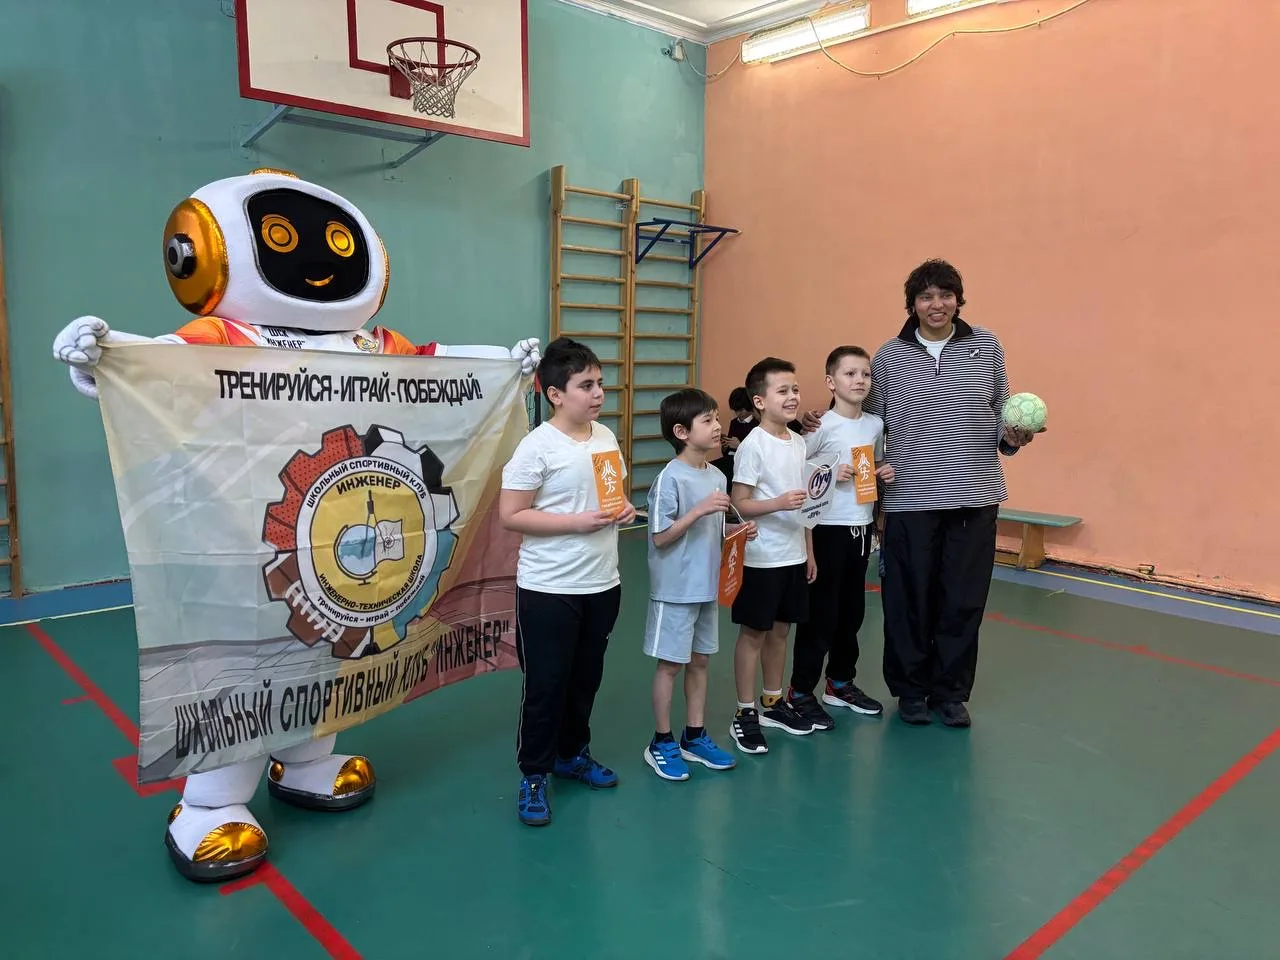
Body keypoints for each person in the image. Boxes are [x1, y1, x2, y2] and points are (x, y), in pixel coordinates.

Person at [50, 169, 541, 882]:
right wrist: (105, 356)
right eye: (280, 238)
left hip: (347, 544)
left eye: (336, 243)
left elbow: (438, 372)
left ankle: (307, 758)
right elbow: (158, 371)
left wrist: (505, 366)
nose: (315, 258)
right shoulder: (222, 338)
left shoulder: (372, 347)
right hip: (242, 538)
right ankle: (211, 803)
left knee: (326, 651)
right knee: (243, 665)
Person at [864, 259, 1037, 728]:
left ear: (959, 300)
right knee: (908, 600)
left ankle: (950, 693)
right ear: (912, 304)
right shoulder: (888, 357)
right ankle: (911, 691)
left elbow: (1001, 413)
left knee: (963, 601)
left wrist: (1012, 438)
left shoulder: (987, 346)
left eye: (945, 295)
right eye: (926, 296)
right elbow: (871, 424)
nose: (936, 304)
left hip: (974, 497)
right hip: (910, 499)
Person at [499, 336, 636, 825]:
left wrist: (624, 509)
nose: (598, 393)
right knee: (547, 684)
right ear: (555, 394)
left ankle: (571, 753)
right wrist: (576, 523)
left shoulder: (605, 437)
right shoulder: (536, 447)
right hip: (549, 588)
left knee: (585, 679)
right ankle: (534, 773)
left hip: (602, 582)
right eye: (586, 385)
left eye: (599, 383)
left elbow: (610, 495)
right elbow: (511, 514)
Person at [643, 388, 755, 781]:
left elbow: (715, 529)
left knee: (701, 661)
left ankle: (694, 734)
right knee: (671, 665)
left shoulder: (718, 476)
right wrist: (698, 510)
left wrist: (738, 531)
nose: (717, 425)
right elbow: (660, 537)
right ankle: (661, 741)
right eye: (707, 420)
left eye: (716, 418)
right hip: (675, 589)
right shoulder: (668, 479)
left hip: (706, 586)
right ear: (682, 431)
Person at [785, 346, 894, 731]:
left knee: (852, 613)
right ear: (831, 382)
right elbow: (798, 473)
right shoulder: (819, 427)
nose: (859, 380)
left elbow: (874, 464)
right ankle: (800, 691)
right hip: (826, 531)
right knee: (820, 616)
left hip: (861, 530)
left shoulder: (875, 424)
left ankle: (840, 682)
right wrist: (831, 474)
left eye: (865, 374)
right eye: (850, 374)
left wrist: (883, 471)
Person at [727, 357, 817, 754]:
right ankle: (744, 711)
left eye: (795, 389)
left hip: (793, 555)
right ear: (760, 401)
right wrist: (778, 503)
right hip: (761, 557)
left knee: (781, 631)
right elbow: (739, 503)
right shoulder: (753, 445)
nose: (793, 396)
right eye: (783, 390)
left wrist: (808, 551)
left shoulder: (799, 443)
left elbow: (807, 505)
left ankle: (772, 702)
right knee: (754, 633)